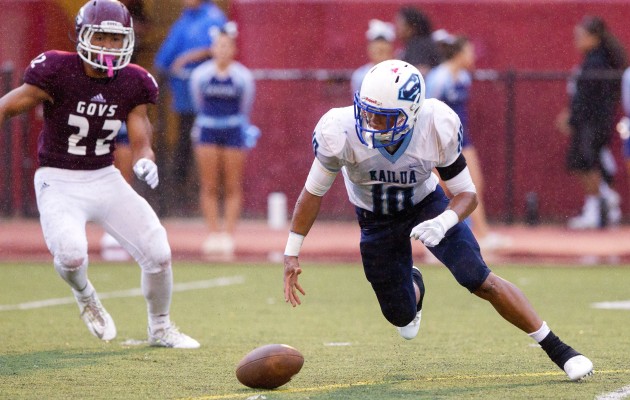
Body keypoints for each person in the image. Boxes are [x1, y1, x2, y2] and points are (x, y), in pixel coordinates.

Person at [283, 59, 593, 381]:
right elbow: (312, 193)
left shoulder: (435, 123)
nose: (371, 123)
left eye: (383, 117)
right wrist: (292, 252)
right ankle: (415, 284)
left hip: (426, 206)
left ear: (411, 114)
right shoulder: (339, 130)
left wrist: (444, 221)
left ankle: (561, 351)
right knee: (400, 317)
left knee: (478, 278)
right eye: (366, 111)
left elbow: (467, 194)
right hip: (375, 220)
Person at [0, 0, 199, 348]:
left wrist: (145, 159)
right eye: (102, 37)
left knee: (158, 251)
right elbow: (8, 106)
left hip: (103, 177)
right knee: (72, 255)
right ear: (83, 35)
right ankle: (85, 294)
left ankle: (161, 328)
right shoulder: (56, 69)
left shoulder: (134, 81)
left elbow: (141, 133)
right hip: (58, 178)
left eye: (116, 39)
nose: (108, 46)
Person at [425, 31, 511, 251]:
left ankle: (481, 233)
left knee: (473, 184)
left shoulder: (463, 77)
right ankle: (432, 238)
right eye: (470, 51)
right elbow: (426, 110)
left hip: (463, 140)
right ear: (460, 53)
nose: (473, 56)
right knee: (439, 190)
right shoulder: (438, 77)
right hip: (440, 143)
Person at [188, 22, 257, 257]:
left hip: (233, 130)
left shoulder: (242, 77)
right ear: (213, 48)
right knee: (209, 184)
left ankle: (227, 234)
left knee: (232, 185)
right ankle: (213, 232)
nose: (223, 50)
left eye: (228, 46)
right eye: (219, 46)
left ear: (234, 49)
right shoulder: (201, 75)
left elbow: (246, 106)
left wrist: (239, 127)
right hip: (207, 129)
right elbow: (198, 103)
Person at [556, 16, 627, 229]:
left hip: (593, 123)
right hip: (588, 122)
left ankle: (599, 206)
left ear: (594, 37)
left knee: (588, 163)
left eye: (581, 36)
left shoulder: (598, 62)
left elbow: (590, 98)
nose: (576, 40)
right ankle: (601, 201)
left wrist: (573, 117)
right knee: (583, 163)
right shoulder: (592, 60)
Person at [153, 0, 227, 191]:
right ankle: (179, 189)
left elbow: (218, 46)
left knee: (207, 140)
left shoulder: (213, 16)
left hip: (208, 98)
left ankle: (206, 188)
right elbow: (168, 51)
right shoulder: (185, 17)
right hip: (182, 95)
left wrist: (185, 58)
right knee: (183, 139)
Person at [350, 19, 396, 95]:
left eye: (383, 51)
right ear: (369, 49)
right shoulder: (360, 75)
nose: (381, 55)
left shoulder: (401, 72)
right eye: (378, 51)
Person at [393, 6, 441, 76]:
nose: (396, 28)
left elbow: (421, 71)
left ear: (411, 28)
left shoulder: (419, 45)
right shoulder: (417, 43)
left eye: (399, 25)